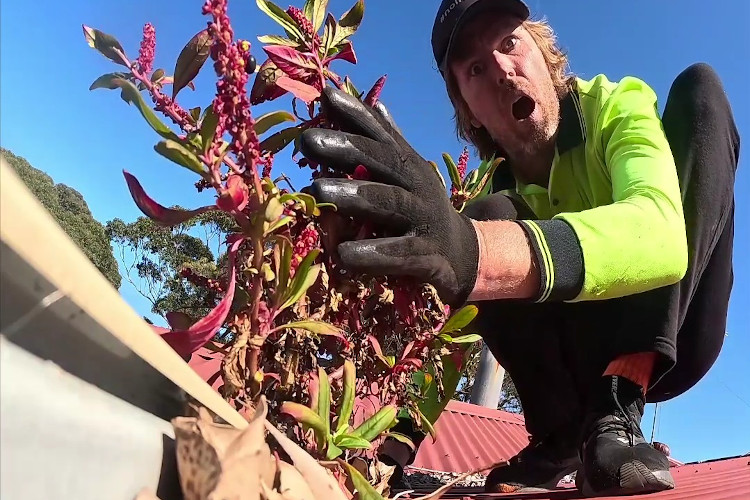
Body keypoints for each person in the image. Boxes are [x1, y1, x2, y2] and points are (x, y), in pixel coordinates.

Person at [298, 0, 740, 495]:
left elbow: (661, 233)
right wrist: (395, 448)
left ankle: (616, 406)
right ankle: (559, 437)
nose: (503, 72)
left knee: (702, 92)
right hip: (577, 354)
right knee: (488, 217)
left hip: (675, 329)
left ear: (543, 51)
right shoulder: (498, 191)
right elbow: (451, 337)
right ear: (470, 111)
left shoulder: (614, 106)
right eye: (475, 69)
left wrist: (481, 251)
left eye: (510, 43)